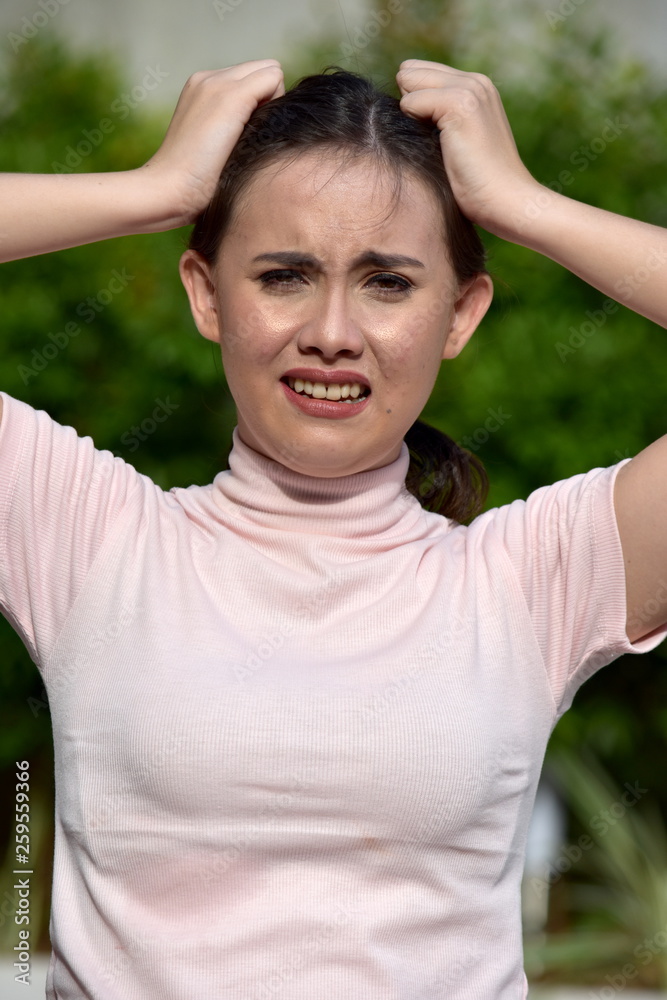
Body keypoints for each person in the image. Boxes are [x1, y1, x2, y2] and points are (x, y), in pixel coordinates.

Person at [0, 56, 666, 1000]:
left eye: (388, 283)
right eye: (284, 275)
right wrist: (152, 190)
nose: (332, 333)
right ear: (205, 294)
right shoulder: (86, 538)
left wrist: (525, 207)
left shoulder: (532, 580)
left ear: (460, 313)